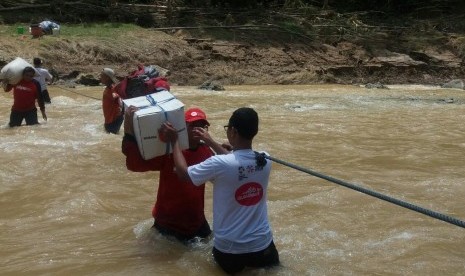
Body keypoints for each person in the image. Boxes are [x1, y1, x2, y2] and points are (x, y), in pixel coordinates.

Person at [162, 107, 280, 274]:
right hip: (263, 246)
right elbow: (237, 162)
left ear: (233, 131)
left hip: (230, 251)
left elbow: (183, 174)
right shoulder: (265, 159)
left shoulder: (219, 164)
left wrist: (174, 141)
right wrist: (211, 142)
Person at [122, 106, 228, 243]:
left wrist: (225, 149)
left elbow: (226, 175)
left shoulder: (206, 151)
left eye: (202, 126)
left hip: (197, 222)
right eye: (193, 125)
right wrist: (128, 126)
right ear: (183, 128)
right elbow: (134, 164)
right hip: (168, 223)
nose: (198, 129)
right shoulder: (169, 152)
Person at [100, 67, 123, 134]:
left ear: (107, 78)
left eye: (102, 76)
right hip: (112, 119)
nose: (100, 77)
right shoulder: (110, 87)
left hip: (113, 120)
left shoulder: (112, 89)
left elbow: (117, 97)